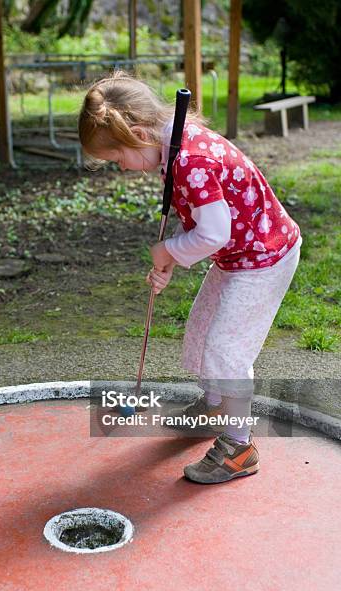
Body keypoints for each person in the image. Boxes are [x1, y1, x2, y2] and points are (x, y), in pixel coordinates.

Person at [78, 71, 302, 484]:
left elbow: (214, 233)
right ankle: (217, 405)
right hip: (239, 256)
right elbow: (200, 222)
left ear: (138, 133)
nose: (123, 168)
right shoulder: (172, 149)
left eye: (117, 159)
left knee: (225, 349)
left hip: (264, 257)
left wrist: (168, 250)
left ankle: (239, 448)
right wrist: (172, 260)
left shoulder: (189, 160)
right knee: (200, 332)